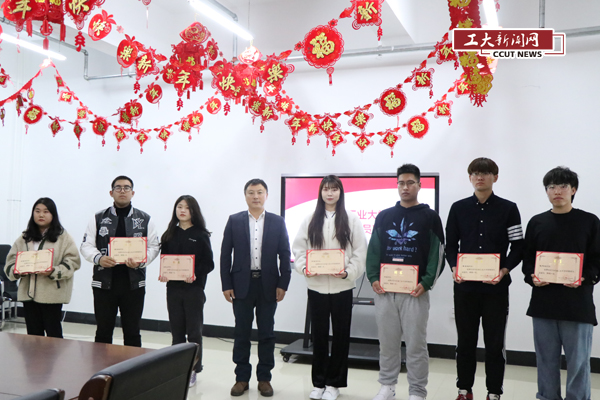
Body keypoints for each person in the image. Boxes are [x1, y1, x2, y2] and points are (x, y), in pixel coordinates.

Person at [445, 158, 524, 400]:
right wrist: (454, 267)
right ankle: (464, 390)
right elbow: (450, 245)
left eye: (486, 173)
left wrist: (505, 270)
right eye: (475, 173)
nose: (480, 177)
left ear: (495, 177)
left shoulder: (509, 209)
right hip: (465, 288)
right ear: (470, 177)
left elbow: (518, 246)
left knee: (494, 344)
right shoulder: (458, 208)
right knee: (465, 342)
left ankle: (494, 392)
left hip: (495, 289)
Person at [366, 164, 445, 400]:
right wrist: (373, 277)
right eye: (401, 183)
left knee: (416, 345)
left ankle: (417, 391)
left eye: (410, 183)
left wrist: (427, 282)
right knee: (387, 343)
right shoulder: (384, 216)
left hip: (415, 292)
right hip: (385, 291)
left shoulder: (430, 217)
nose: (405, 187)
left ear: (419, 185)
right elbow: (374, 250)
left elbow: (437, 254)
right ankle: (387, 386)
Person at [522, 166, 600, 400]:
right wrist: (532, 276)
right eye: (551, 186)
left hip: (577, 305)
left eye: (563, 186)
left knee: (578, 363)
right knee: (545, 361)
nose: (557, 191)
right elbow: (528, 261)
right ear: (546, 191)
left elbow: (597, 260)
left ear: (573, 190)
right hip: (544, 305)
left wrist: (584, 278)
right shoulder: (537, 222)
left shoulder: (589, 221)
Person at [292, 175, 367, 400]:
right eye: (326, 189)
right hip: (316, 288)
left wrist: (347, 272)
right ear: (320, 192)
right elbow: (298, 249)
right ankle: (319, 383)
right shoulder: (310, 219)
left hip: (342, 287)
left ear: (340, 192)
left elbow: (360, 252)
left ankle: (334, 384)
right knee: (319, 336)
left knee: (341, 336)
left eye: (334, 189)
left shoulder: (351, 219)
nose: (330, 193)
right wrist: (305, 268)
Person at [220, 178, 292, 397]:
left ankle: (264, 378)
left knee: (267, 333)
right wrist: (226, 284)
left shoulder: (277, 222)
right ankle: (241, 378)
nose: (255, 196)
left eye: (260, 192)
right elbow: (225, 254)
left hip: (268, 284)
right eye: (251, 192)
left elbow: (285, 254)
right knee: (241, 333)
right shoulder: (234, 220)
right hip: (241, 284)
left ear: (266, 195)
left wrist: (283, 283)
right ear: (245, 196)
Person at [80, 175, 159, 347]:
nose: (122, 191)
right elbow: (86, 245)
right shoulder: (98, 218)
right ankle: (101, 364)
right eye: (118, 188)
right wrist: (99, 258)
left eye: (126, 188)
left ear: (133, 193)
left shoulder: (145, 219)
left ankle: (133, 365)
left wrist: (141, 261)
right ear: (111, 192)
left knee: (132, 332)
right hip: (104, 284)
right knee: (103, 331)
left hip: (133, 284)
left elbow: (154, 246)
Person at [4, 198, 81, 338]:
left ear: (53, 215)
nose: (41, 215)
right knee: (33, 336)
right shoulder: (24, 237)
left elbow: (73, 262)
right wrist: (18, 270)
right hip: (28, 295)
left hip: (52, 295)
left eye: (46, 211)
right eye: (37, 211)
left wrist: (53, 271)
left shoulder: (63, 237)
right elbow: (10, 261)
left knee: (54, 336)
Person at [159, 195, 214, 388]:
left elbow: (209, 264)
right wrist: (164, 274)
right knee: (176, 332)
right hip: (173, 289)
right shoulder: (169, 234)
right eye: (179, 207)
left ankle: (193, 370)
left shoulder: (201, 234)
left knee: (194, 332)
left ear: (193, 211)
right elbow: (165, 260)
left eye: (187, 208)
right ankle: (178, 369)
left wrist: (194, 274)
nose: (182, 210)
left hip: (194, 290)